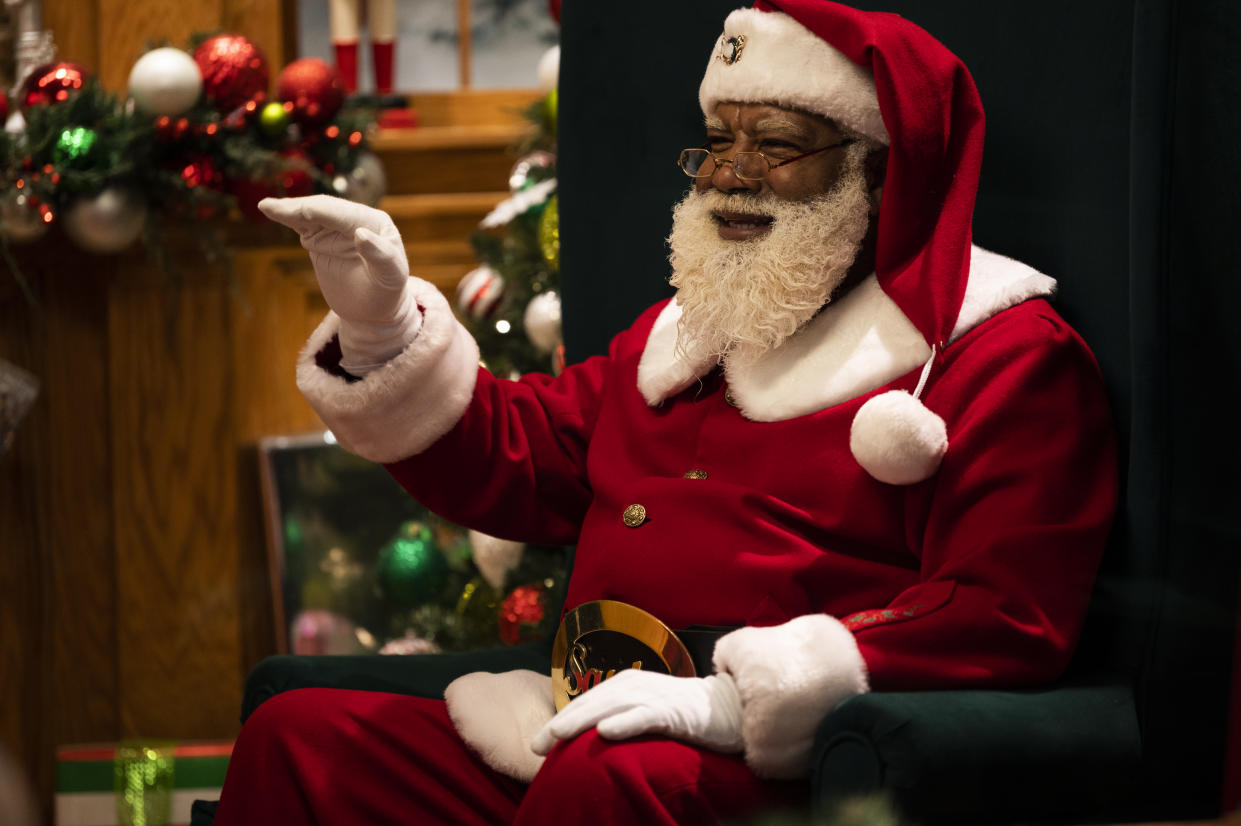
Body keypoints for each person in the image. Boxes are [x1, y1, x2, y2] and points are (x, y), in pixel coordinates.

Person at [212, 1, 1117, 823]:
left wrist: (736, 701)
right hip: (579, 717)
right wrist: (380, 328)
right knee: (303, 741)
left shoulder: (1000, 357)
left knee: (607, 781)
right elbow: (518, 454)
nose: (730, 174)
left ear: (884, 174)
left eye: (775, 144)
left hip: (773, 764)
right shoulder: (687, 337)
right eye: (717, 141)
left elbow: (1002, 612)